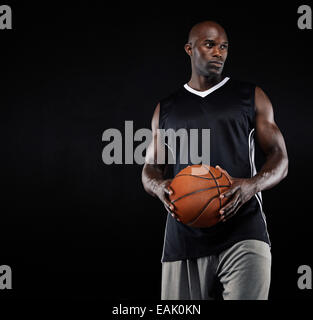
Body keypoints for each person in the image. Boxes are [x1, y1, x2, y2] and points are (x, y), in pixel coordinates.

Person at [141, 21, 288, 300]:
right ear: (190, 49)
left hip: (243, 230)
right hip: (183, 237)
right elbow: (150, 168)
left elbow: (280, 158)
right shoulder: (167, 108)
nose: (218, 52)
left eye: (223, 47)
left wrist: (252, 186)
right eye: (210, 45)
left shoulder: (250, 96)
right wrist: (159, 187)